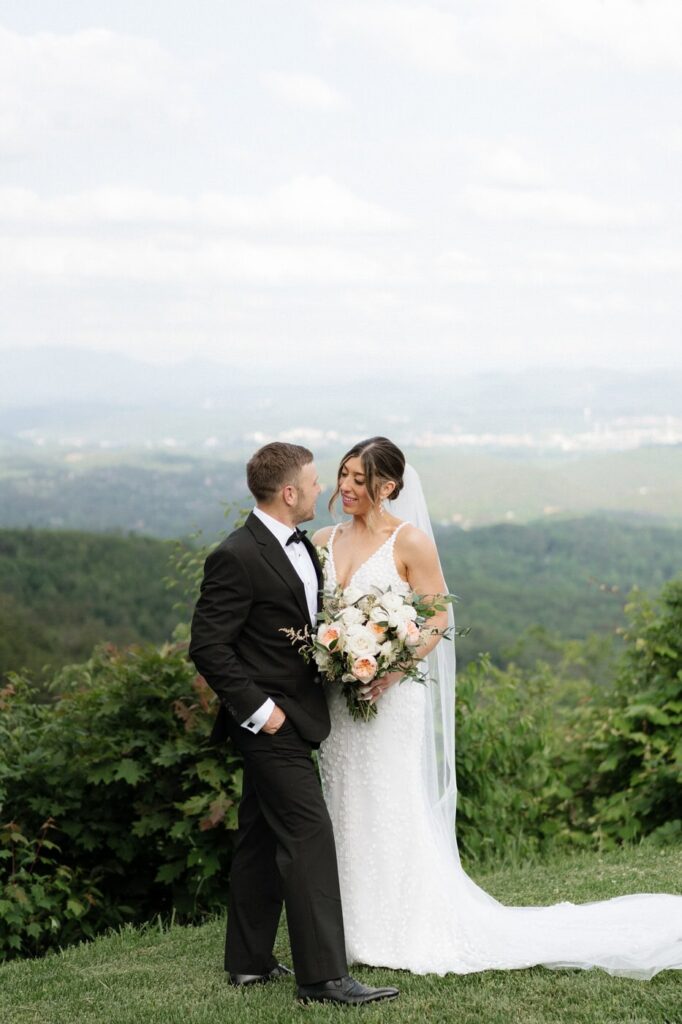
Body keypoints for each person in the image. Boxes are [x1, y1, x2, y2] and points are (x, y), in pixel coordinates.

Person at [312, 436, 682, 979]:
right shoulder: (322, 539)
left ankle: (403, 925)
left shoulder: (408, 543)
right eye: (343, 475)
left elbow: (437, 617)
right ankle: (350, 926)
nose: (346, 487)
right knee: (345, 803)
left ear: (388, 486)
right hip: (340, 704)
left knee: (390, 803)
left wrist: (391, 667)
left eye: (359, 479)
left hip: (391, 699)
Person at [189, 441, 399, 1005]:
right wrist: (263, 712)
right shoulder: (236, 554)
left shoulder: (300, 544)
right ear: (288, 493)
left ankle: (249, 962)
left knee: (260, 837)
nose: (318, 490)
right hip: (269, 725)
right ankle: (324, 978)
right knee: (308, 836)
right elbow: (208, 647)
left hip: (300, 717)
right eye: (310, 482)